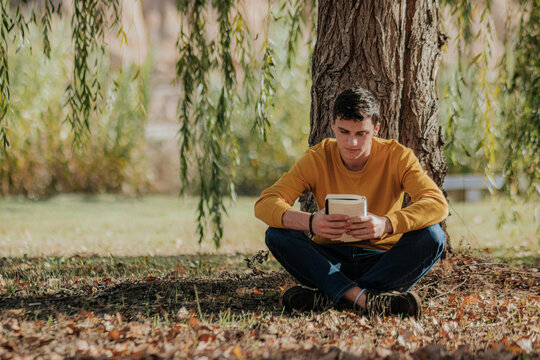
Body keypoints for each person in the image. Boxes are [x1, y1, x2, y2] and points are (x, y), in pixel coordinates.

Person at [254, 87, 448, 318]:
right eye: (344, 131)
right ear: (333, 124)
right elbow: (265, 203)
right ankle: (367, 300)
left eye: (361, 133)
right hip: (329, 259)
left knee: (434, 236)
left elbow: (437, 203)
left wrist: (387, 223)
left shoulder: (398, 156)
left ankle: (333, 295)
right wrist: (311, 222)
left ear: (376, 129)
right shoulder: (317, 157)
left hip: (383, 260)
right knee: (277, 234)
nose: (352, 142)